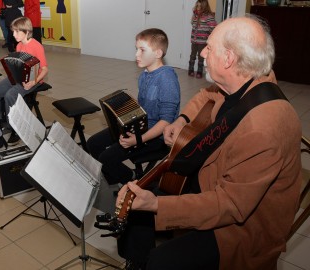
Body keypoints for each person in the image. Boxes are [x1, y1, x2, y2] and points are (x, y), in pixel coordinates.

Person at [114, 15, 302, 270]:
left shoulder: (262, 128)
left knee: (161, 260)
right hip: (212, 176)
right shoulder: (247, 80)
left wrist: (156, 204)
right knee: (137, 216)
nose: (202, 53)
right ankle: (136, 262)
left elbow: (230, 205)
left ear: (229, 59)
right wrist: (181, 119)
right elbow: (205, 96)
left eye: (209, 47)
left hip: (242, 228)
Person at [87, 28, 180, 186]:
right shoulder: (144, 75)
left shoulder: (167, 79)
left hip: (156, 137)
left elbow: (166, 122)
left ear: (158, 53)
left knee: (106, 158)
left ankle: (131, 178)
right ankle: (116, 179)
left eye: (142, 50)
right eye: (136, 49)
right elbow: (142, 109)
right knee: (93, 143)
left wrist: (138, 140)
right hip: (140, 127)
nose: (136, 55)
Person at [0, 16, 48, 145]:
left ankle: (15, 128)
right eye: (13, 31)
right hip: (20, 77)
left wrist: (34, 82)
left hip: (33, 80)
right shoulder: (19, 45)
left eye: (16, 31)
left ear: (26, 31)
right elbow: (19, 64)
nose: (13, 34)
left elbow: (44, 69)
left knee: (10, 95)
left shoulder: (37, 46)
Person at [188, 0, 216, 79]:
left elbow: (214, 28)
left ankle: (199, 71)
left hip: (203, 42)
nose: (198, 8)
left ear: (204, 7)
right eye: (197, 6)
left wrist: (209, 36)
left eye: (200, 6)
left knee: (201, 57)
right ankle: (191, 69)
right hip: (194, 41)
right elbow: (193, 24)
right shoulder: (195, 16)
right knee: (192, 55)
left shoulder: (209, 17)